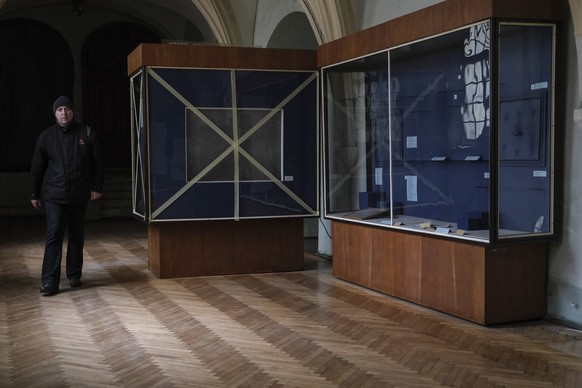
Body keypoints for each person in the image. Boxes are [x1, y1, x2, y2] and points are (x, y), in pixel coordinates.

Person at [30, 96, 104, 296]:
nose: (64, 112)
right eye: (60, 109)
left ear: (73, 112)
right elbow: (37, 168)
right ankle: (49, 282)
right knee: (54, 235)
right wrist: (34, 193)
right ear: (55, 113)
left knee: (77, 235)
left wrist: (96, 187)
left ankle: (74, 274)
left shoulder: (86, 133)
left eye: (67, 109)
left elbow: (98, 163)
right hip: (54, 195)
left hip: (79, 194)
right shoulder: (46, 137)